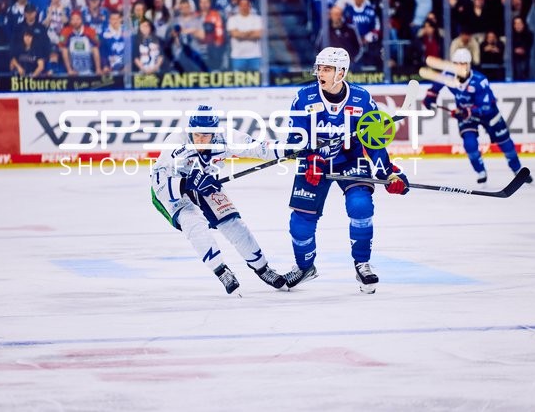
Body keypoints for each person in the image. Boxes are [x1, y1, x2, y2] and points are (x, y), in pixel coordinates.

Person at [283, 47, 410, 294]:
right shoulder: (304, 97)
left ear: (341, 72)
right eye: (319, 67)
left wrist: (389, 173)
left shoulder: (362, 98)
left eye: (327, 68)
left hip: (350, 160)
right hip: (314, 166)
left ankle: (362, 263)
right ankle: (304, 266)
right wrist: (311, 159)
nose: (320, 72)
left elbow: (373, 141)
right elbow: (295, 139)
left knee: (361, 206)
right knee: (300, 223)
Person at [150, 105, 289, 295]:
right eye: (196, 135)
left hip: (205, 183)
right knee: (194, 223)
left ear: (214, 133)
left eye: (205, 136)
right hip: (172, 190)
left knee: (233, 223)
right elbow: (158, 181)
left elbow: (258, 148)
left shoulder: (226, 137)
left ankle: (263, 268)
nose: (200, 140)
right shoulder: (175, 144)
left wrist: (289, 148)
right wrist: (186, 183)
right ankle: (221, 270)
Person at [423, 48, 533, 185]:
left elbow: (486, 107)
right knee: (470, 144)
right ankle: (481, 172)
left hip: (489, 115)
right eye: (457, 64)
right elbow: (435, 87)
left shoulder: (479, 81)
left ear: (469, 65)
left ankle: (517, 170)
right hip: (466, 115)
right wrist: (430, 97)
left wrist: (468, 111)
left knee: (506, 145)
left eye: (464, 64)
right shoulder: (448, 75)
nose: (461, 67)